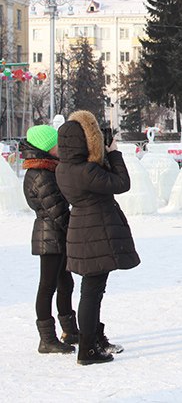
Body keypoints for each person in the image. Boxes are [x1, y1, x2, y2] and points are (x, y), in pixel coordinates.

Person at [55, 111, 140, 365]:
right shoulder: (87, 171)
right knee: (92, 292)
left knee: (91, 291)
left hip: (82, 231)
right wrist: (113, 153)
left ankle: (92, 341)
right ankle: (88, 350)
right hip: (96, 232)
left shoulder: (64, 169)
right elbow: (122, 183)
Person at [21, 124, 77, 354]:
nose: (60, 147)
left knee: (66, 283)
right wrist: (76, 228)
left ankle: (70, 330)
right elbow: (57, 210)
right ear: (46, 147)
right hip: (49, 236)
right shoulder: (40, 174)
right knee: (48, 286)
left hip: (56, 235)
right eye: (56, 144)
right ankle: (47, 339)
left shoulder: (50, 170)